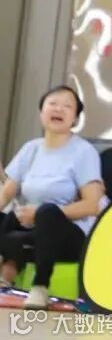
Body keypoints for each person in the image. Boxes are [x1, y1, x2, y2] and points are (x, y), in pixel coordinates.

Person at [0, 86, 104, 308]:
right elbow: (6, 192)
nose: (58, 109)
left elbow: (92, 205)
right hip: (31, 229)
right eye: (53, 104)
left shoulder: (83, 152)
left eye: (67, 106)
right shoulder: (30, 149)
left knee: (47, 211)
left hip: (69, 234)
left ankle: (40, 287)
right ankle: (4, 277)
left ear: (75, 118)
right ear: (41, 112)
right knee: (6, 217)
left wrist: (39, 213)